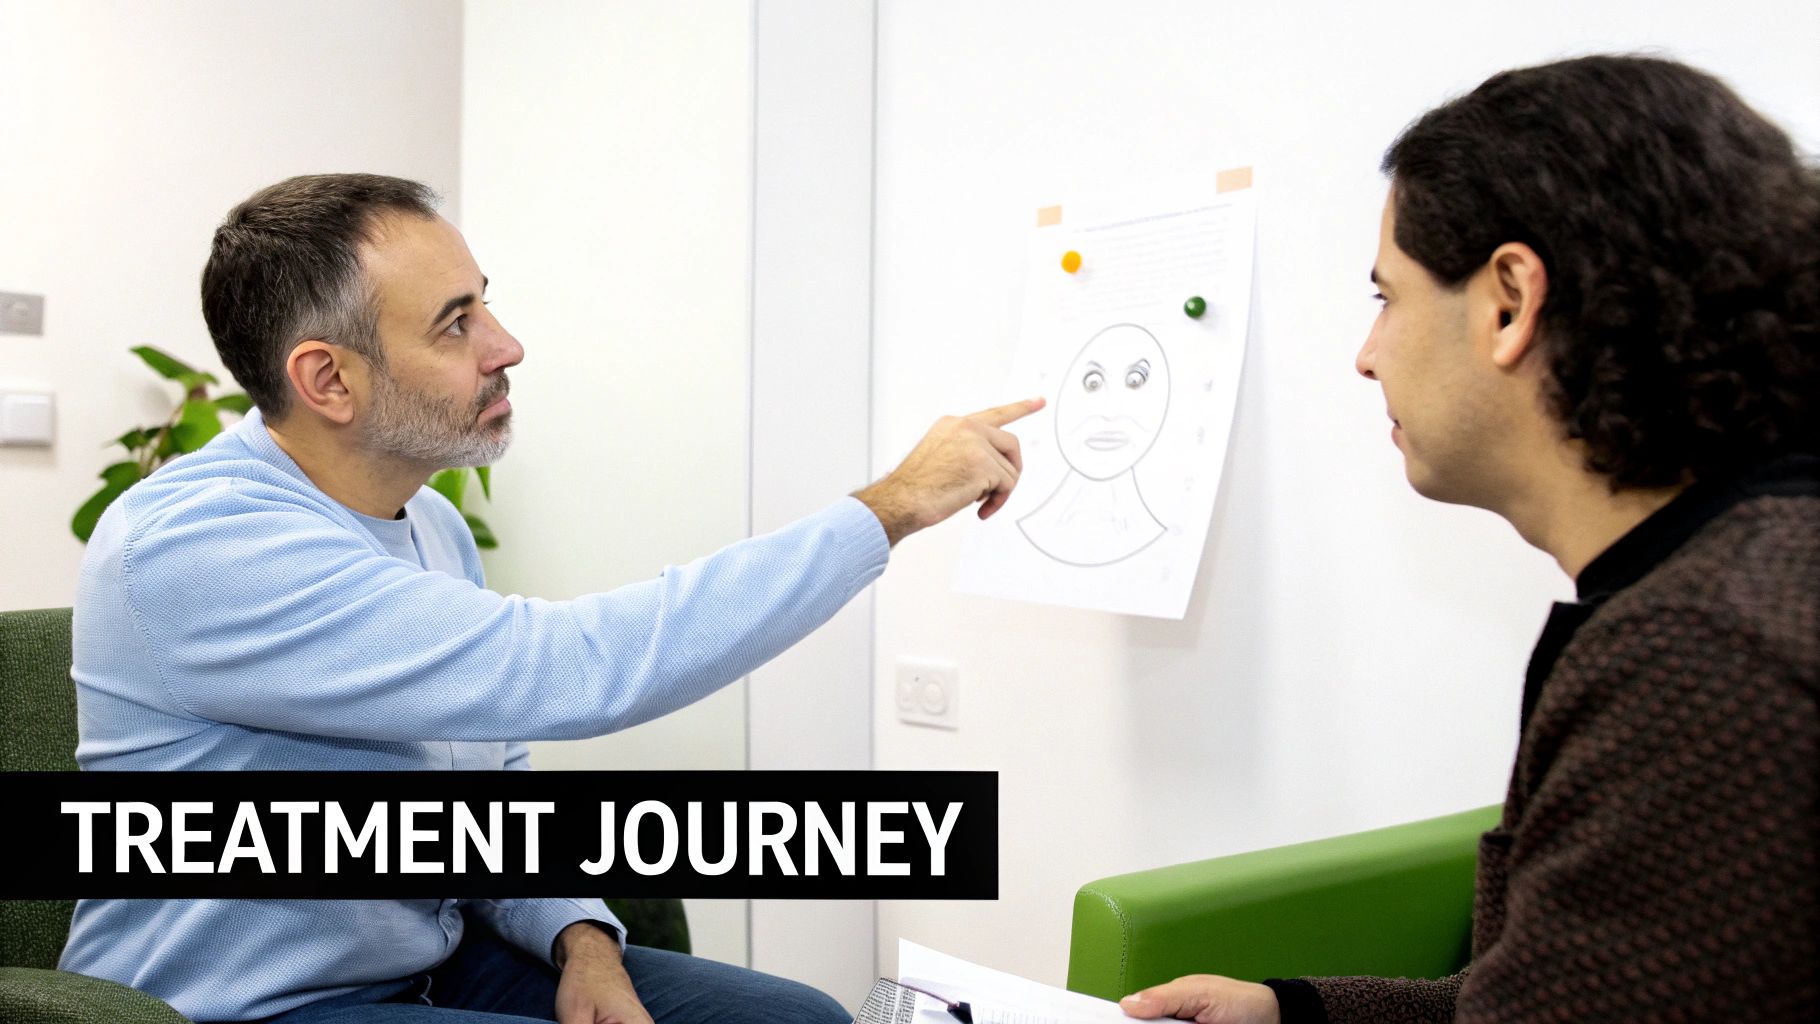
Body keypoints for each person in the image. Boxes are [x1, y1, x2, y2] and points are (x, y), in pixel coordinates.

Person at [58, 173, 1041, 1024]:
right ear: (328, 379)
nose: (507, 344)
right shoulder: (195, 544)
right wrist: (895, 505)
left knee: (800, 1015)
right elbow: (574, 668)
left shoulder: (427, 522)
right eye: (455, 323)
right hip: (238, 1008)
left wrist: (578, 935)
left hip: (430, 967)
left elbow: (492, 781)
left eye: (484, 303)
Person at [1121, 55, 1818, 1023]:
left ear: (1506, 300)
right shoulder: (1749, 570)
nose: (1364, 358)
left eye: (1386, 296)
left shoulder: (1699, 658)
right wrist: (1298, 1011)